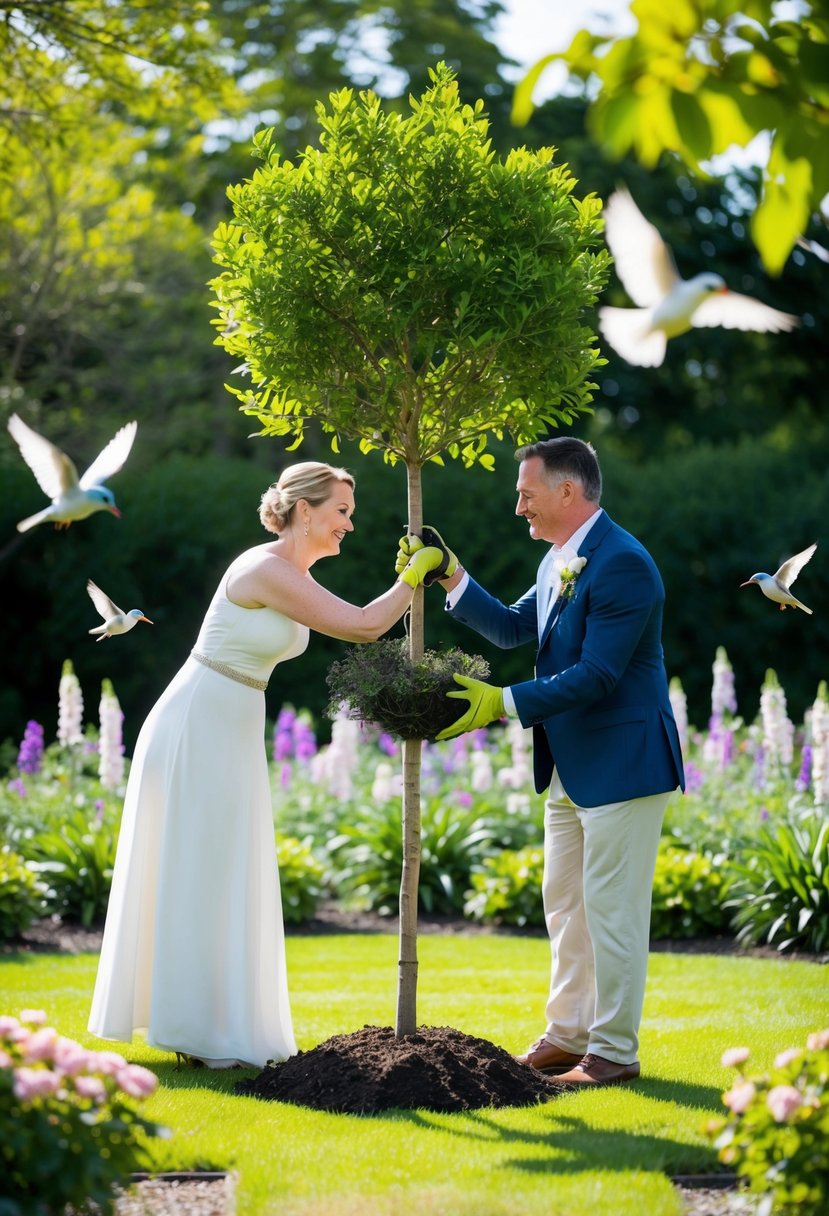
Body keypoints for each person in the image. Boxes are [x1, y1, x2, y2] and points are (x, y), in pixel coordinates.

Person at [89, 461, 445, 1069]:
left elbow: (361, 618)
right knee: (197, 870)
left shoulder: (290, 571)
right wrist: (416, 574)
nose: (349, 525)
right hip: (196, 725)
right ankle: (194, 1031)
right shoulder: (263, 569)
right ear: (305, 511)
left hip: (230, 723)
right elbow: (363, 626)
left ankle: (207, 1025)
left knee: (222, 871)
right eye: (342, 512)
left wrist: (411, 579)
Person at [402, 437, 684, 1086]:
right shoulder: (560, 557)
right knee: (564, 905)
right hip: (567, 765)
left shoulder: (623, 564)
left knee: (611, 913)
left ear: (567, 490)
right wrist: (448, 572)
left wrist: (501, 702)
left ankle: (612, 1053)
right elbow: (507, 628)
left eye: (525, 493)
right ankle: (566, 1035)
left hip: (622, 764)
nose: (517, 506)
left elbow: (599, 675)